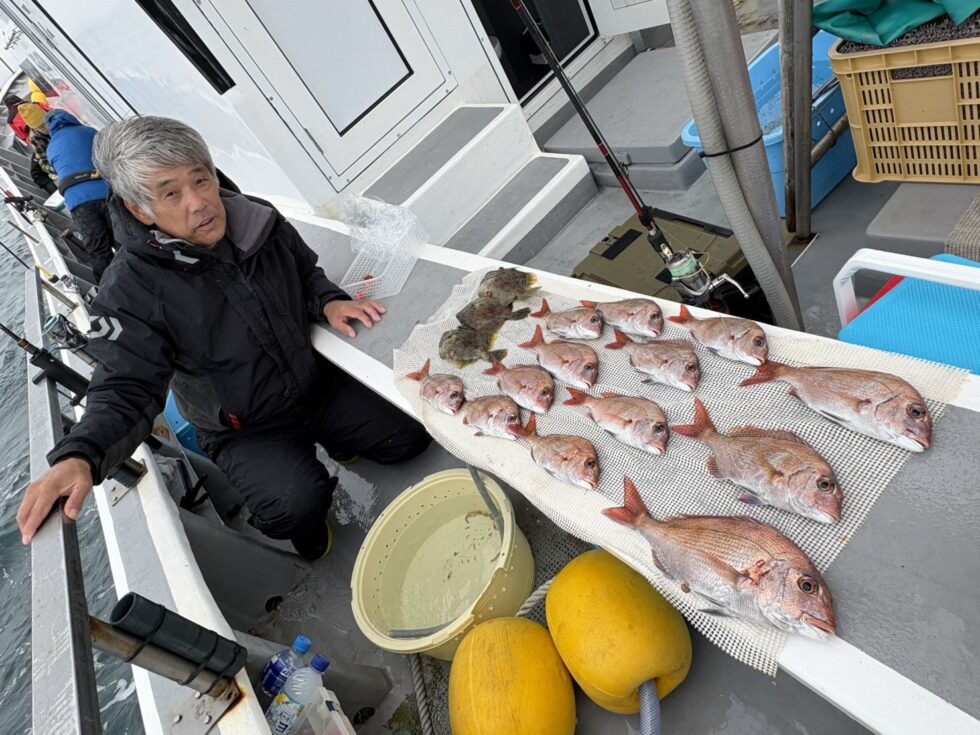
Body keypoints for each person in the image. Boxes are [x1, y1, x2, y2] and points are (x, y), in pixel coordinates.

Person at [16, 116, 431, 559]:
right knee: (292, 507)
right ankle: (310, 533)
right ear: (140, 209)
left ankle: (342, 442)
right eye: (171, 193)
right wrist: (81, 454)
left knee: (410, 438)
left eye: (202, 179)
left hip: (317, 384)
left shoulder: (256, 218)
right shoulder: (128, 291)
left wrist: (328, 301)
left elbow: (305, 272)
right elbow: (124, 384)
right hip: (247, 429)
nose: (200, 203)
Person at [45, 110, 115, 280]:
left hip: (77, 202)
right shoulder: (90, 132)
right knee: (125, 236)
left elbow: (57, 169)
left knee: (98, 249)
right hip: (105, 192)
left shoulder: (51, 147)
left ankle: (110, 289)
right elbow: (109, 155)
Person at [18, 102, 58, 195]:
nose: (45, 129)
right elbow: (43, 162)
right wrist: (59, 169)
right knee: (36, 174)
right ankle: (58, 195)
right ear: (34, 128)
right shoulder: (34, 137)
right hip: (56, 158)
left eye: (44, 123)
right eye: (40, 127)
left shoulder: (58, 118)